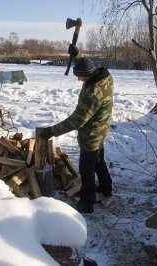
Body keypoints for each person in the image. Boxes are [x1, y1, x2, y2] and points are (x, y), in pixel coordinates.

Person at [38, 45, 114, 213]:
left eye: (80, 77)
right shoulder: (104, 76)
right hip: (101, 130)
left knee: (86, 170)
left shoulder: (93, 94)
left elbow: (76, 121)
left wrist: (51, 131)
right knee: (99, 161)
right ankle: (106, 189)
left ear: (88, 75)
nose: (79, 80)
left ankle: (87, 203)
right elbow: (86, 63)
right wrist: (77, 54)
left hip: (91, 135)